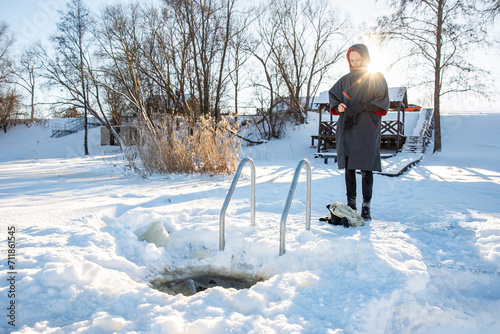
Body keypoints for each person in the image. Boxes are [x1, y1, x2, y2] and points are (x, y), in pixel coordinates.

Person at [328, 44, 390, 221]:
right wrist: (338, 106)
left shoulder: (375, 77)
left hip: (367, 128)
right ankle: (351, 205)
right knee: (349, 167)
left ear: (365, 58)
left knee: (366, 167)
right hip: (348, 127)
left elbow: (382, 101)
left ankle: (366, 208)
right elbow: (333, 96)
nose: (355, 63)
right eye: (351, 60)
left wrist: (362, 107)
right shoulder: (345, 80)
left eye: (358, 59)